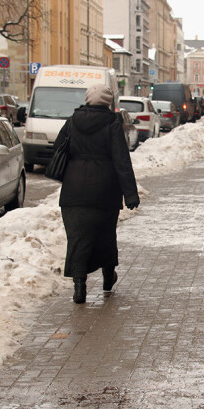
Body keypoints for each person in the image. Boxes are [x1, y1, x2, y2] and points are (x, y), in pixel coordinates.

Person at [54, 83, 139, 303]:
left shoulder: (73, 121)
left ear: (87, 98)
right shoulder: (112, 123)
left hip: (73, 192)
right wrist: (130, 193)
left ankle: (79, 287)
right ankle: (107, 278)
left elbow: (58, 148)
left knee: (77, 239)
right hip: (105, 191)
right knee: (106, 236)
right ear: (108, 102)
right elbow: (122, 160)